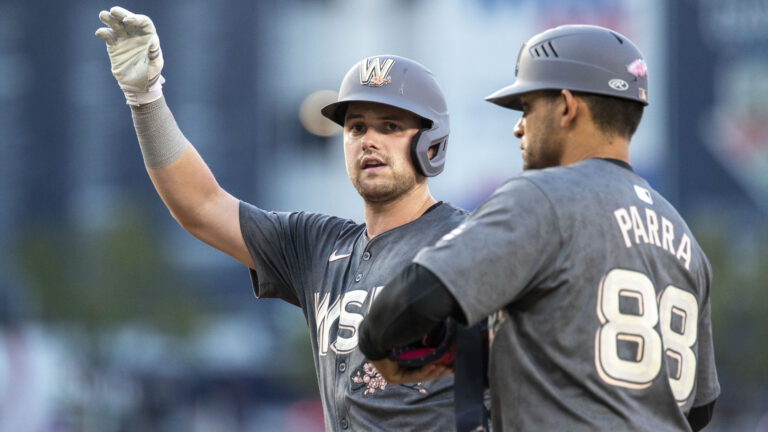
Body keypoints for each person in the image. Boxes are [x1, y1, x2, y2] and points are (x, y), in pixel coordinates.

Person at [95, 6, 468, 431]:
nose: (368, 140)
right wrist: (146, 99)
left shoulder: (469, 242)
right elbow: (201, 206)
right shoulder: (317, 245)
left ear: (432, 145)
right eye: (357, 127)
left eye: (389, 126)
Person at [358, 24, 720, 431]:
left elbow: (400, 311)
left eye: (527, 108)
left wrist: (432, 354)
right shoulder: (683, 238)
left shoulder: (543, 197)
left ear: (566, 106)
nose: (519, 126)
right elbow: (699, 408)